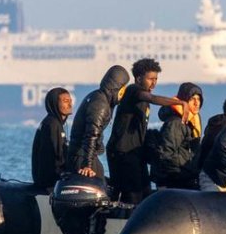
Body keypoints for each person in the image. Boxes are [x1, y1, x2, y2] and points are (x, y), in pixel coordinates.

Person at [107, 58, 189, 205]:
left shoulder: (142, 97)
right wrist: (180, 102)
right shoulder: (133, 90)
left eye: (156, 79)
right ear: (139, 79)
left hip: (136, 153)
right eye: (150, 79)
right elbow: (152, 98)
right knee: (132, 198)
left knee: (145, 195)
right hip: (122, 153)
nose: (154, 83)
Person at [65, 65, 130, 181]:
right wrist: (87, 165)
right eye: (123, 89)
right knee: (100, 181)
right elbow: (91, 135)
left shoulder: (97, 96)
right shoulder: (101, 104)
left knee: (105, 181)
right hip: (81, 156)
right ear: (116, 88)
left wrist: (99, 146)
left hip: (80, 154)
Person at [150, 82, 203, 190]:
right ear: (184, 101)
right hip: (174, 180)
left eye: (199, 99)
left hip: (184, 177)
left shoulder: (191, 121)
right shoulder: (177, 123)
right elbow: (166, 153)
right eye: (192, 99)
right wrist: (184, 170)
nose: (196, 103)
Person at [31, 87, 73, 189]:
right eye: (65, 101)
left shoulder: (51, 122)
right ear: (54, 103)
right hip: (49, 181)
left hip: (44, 178)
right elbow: (57, 155)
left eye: (70, 101)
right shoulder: (52, 124)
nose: (70, 105)